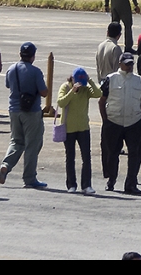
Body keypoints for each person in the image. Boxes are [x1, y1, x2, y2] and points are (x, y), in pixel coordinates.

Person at [0, 42, 49, 189]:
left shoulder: (12, 69)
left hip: (14, 110)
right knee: (32, 145)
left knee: (16, 141)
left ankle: (6, 165)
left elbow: (8, 85)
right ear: (33, 56)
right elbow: (44, 92)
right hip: (31, 111)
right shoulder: (35, 71)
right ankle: (29, 178)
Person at [98, 52, 141, 194]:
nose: (129, 66)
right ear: (120, 64)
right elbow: (102, 101)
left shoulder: (140, 81)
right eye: (126, 63)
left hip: (134, 122)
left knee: (135, 154)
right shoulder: (110, 79)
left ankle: (131, 183)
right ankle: (111, 180)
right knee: (112, 153)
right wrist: (105, 120)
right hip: (114, 121)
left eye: (131, 63)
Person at [57, 66, 102, 194]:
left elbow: (99, 93)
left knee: (86, 157)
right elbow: (61, 103)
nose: (80, 86)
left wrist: (90, 81)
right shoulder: (65, 87)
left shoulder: (86, 89)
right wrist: (72, 91)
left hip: (83, 127)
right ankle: (71, 184)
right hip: (69, 128)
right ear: (72, 78)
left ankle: (86, 185)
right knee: (70, 157)